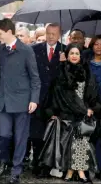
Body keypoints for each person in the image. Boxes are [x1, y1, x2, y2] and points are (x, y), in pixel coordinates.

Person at [0, 19, 41, 184]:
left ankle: (16, 169)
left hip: (22, 101)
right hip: (3, 101)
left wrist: (34, 100)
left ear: (8, 32)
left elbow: (35, 78)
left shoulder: (26, 50)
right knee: (3, 134)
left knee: (21, 137)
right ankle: (3, 160)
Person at [43, 43, 98, 183]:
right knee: (68, 145)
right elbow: (57, 95)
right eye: (71, 53)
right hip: (67, 114)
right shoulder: (61, 71)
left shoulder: (87, 71)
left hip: (83, 114)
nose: (74, 56)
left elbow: (91, 92)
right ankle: (72, 171)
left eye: (77, 53)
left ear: (81, 56)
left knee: (80, 142)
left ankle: (76, 172)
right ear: (67, 55)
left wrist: (89, 108)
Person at [31, 23, 65, 177]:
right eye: (48, 33)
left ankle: (50, 165)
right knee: (37, 133)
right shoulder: (35, 49)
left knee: (54, 132)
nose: (50, 36)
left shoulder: (65, 50)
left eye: (54, 33)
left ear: (59, 35)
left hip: (57, 99)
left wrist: (64, 63)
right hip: (38, 97)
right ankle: (37, 163)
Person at [82, 35, 101, 182]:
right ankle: (88, 169)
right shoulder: (86, 63)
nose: (99, 47)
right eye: (96, 44)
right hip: (89, 106)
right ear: (92, 46)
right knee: (88, 138)